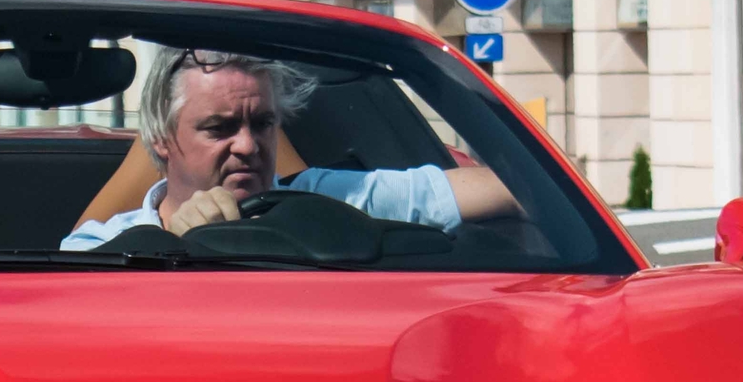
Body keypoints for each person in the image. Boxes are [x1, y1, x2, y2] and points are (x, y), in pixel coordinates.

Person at [59, 50, 515, 250]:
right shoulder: (98, 248)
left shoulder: (325, 199)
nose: (248, 145)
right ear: (161, 138)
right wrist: (166, 245)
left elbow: (509, 189)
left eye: (263, 124)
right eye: (219, 129)